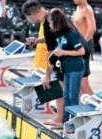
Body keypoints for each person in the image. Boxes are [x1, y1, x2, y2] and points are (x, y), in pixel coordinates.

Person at [22, 0, 67, 128]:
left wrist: (47, 76)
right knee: (79, 88)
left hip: (69, 56)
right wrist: (37, 40)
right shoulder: (50, 16)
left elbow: (51, 53)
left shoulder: (48, 22)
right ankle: (64, 117)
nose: (29, 20)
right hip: (73, 53)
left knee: (59, 87)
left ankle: (60, 118)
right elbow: (50, 39)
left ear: (34, 14)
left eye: (28, 17)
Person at [48, 8, 87, 123]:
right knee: (66, 95)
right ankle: (65, 123)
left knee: (73, 96)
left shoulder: (70, 33)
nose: (50, 25)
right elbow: (62, 49)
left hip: (76, 68)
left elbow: (81, 51)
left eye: (51, 22)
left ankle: (75, 125)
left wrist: (63, 52)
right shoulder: (60, 34)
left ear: (57, 22)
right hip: (67, 68)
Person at [72, 0, 96, 97]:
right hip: (77, 46)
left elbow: (92, 28)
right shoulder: (78, 8)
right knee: (78, 82)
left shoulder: (87, 10)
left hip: (83, 47)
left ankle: (97, 107)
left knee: (83, 83)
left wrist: (82, 44)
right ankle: (81, 107)